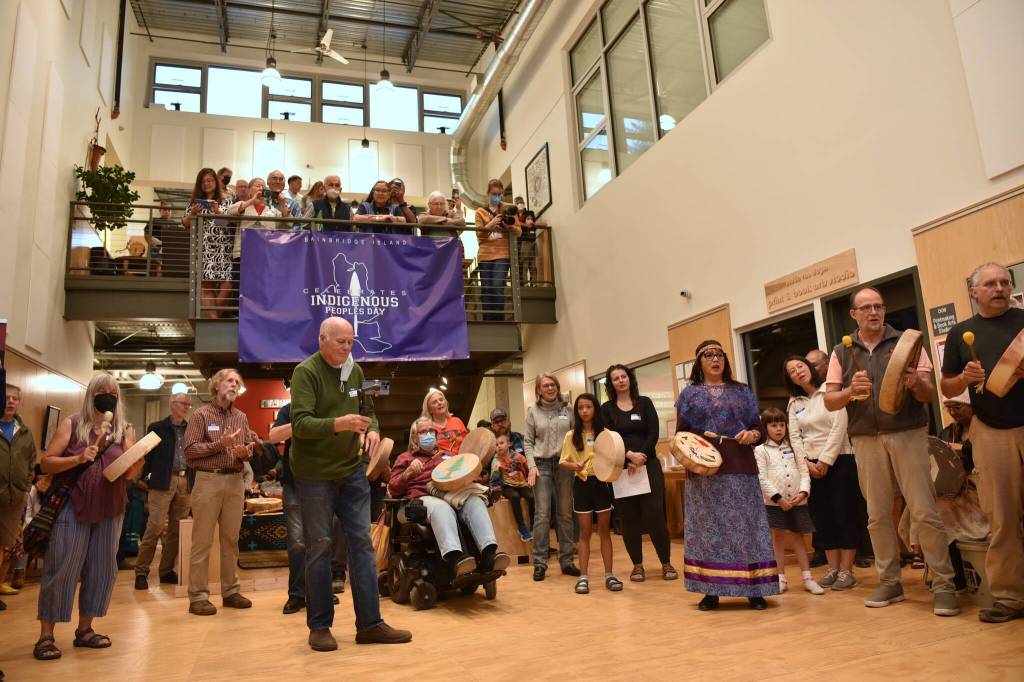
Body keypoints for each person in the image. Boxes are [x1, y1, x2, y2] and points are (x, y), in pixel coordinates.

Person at [825, 286, 959, 616]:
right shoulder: (841, 351)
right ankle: (889, 581)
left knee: (924, 511)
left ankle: (944, 584)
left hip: (908, 433)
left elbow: (928, 394)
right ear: (854, 314)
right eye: (866, 308)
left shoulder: (908, 343)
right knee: (877, 515)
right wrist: (849, 391)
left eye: (879, 306)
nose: (874, 312)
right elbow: (829, 402)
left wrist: (916, 384)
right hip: (865, 439)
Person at [289, 317, 411, 652]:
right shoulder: (305, 372)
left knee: (362, 545)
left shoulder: (354, 372)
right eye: (341, 341)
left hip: (351, 471)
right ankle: (319, 626)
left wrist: (372, 429)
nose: (347, 347)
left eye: (351, 342)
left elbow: (367, 409)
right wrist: (340, 424)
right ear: (322, 339)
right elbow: (300, 424)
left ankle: (370, 624)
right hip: (314, 474)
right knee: (320, 547)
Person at [34, 374, 141, 661]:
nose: (107, 395)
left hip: (111, 508)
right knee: (62, 566)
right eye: (101, 390)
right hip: (74, 505)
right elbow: (47, 462)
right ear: (90, 394)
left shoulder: (124, 430)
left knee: (102, 569)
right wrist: (78, 458)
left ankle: (85, 629)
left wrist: (136, 460)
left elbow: (130, 473)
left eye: (113, 391)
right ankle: (46, 636)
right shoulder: (71, 424)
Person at [940, 262, 1024, 623]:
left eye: (1005, 282)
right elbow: (946, 385)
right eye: (990, 284)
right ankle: (1010, 597)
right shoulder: (961, 333)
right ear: (974, 292)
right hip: (989, 430)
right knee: (1002, 517)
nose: (1000, 288)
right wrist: (964, 378)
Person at [676, 341, 778, 610]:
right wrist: (695, 458)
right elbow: (681, 435)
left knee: (747, 528)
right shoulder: (689, 395)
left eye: (719, 354)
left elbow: (759, 429)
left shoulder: (742, 391)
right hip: (704, 473)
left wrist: (753, 434)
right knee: (708, 533)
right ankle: (711, 592)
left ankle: (755, 589)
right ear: (699, 362)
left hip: (740, 467)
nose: (715, 359)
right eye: (708, 355)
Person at [389, 417, 511, 576]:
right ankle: (456, 559)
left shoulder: (448, 456)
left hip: (452, 493)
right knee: (442, 508)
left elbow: (463, 477)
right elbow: (393, 488)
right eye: (423, 432)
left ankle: (489, 554)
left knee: (475, 501)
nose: (428, 435)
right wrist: (407, 473)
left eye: (431, 431)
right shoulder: (405, 458)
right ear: (414, 437)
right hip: (423, 495)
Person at [785, 355, 860, 590]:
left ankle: (847, 570)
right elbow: (794, 437)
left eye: (800, 366)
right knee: (823, 517)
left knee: (844, 514)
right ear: (790, 379)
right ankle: (832, 568)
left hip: (841, 459)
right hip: (811, 466)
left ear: (809, 367)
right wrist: (806, 463)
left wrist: (826, 460)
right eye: (792, 371)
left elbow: (840, 426)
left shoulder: (830, 390)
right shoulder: (794, 403)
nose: (798, 371)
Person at [183, 368, 254, 616]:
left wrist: (245, 452)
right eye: (229, 381)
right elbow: (190, 451)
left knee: (231, 540)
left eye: (237, 382)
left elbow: (247, 446)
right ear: (216, 385)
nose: (234, 385)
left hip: (235, 481)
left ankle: (231, 591)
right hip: (208, 481)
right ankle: (198, 596)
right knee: (202, 541)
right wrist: (219, 444)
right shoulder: (201, 415)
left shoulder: (241, 417)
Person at [267, 402, 343, 615]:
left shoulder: (327, 404)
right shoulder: (288, 410)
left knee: (321, 541)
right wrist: (303, 424)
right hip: (294, 483)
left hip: (324, 482)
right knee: (298, 543)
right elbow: (273, 436)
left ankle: (321, 593)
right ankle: (297, 594)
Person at [604, 364, 676, 583]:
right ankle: (637, 566)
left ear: (629, 379)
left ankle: (666, 563)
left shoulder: (645, 403)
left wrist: (641, 456)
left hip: (649, 465)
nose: (621, 380)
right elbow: (607, 438)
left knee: (655, 515)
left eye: (623, 376)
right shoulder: (606, 409)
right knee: (629, 518)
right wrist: (628, 456)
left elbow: (653, 432)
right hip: (621, 469)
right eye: (616, 378)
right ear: (611, 384)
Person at [754, 407, 823, 595]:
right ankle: (780, 578)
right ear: (765, 427)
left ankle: (808, 578)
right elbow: (761, 478)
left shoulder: (794, 448)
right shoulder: (760, 450)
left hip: (797, 502)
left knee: (799, 537)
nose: (778, 429)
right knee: (778, 538)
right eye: (773, 425)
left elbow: (804, 472)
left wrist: (803, 493)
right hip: (774, 503)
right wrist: (778, 499)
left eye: (781, 425)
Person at [560, 393, 621, 595]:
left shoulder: (606, 434)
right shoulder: (571, 435)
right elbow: (563, 462)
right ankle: (583, 577)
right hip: (582, 485)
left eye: (588, 407)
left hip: (601, 484)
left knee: (604, 532)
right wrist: (575, 466)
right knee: (584, 533)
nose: (584, 411)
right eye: (580, 408)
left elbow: (615, 458)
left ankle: (609, 575)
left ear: (595, 409)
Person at [134, 392, 193, 590]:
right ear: (172, 404)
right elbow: (147, 456)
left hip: (185, 482)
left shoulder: (191, 429)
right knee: (155, 527)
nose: (186, 407)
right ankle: (141, 571)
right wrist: (146, 479)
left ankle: (166, 570)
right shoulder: (156, 428)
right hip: (161, 482)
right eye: (183, 403)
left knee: (177, 530)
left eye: (188, 404)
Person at [524, 373, 577, 580]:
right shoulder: (533, 411)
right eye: (545, 385)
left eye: (553, 384)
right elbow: (528, 442)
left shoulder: (568, 409)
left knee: (565, 514)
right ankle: (540, 563)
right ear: (539, 390)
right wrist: (531, 466)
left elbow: (576, 437)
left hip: (564, 465)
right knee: (542, 515)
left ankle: (567, 561)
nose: (550, 388)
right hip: (541, 465)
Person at [1, 385, 36, 609]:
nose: (11, 401)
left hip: (15, 498)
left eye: (15, 398)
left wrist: (25, 488)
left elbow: (31, 463)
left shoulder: (25, 432)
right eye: (6, 397)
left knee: (5, 546)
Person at [183, 168, 230, 318]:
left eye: (209, 180)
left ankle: (214, 318)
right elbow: (185, 224)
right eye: (203, 181)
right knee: (207, 285)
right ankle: (214, 320)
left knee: (227, 285)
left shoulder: (226, 201)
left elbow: (228, 225)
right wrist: (193, 213)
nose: (206, 184)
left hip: (222, 249)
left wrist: (217, 211)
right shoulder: (194, 203)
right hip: (203, 248)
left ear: (216, 181)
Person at [474, 179, 521, 321]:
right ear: (488, 193)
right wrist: (491, 224)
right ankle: (489, 322)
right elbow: (479, 234)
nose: (497, 197)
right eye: (494, 194)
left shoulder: (509, 208)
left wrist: (509, 227)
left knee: (497, 285)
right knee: (486, 289)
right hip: (485, 254)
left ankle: (499, 321)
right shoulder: (480, 211)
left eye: (500, 194)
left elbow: (519, 231)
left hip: (503, 253)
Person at [490, 433, 534, 542]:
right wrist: (497, 493)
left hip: (521, 484)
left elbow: (528, 468)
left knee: (531, 497)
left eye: (501, 443)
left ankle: (533, 526)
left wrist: (529, 477)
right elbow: (494, 479)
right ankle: (521, 526)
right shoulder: (496, 461)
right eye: (496, 445)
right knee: (515, 496)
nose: (499, 446)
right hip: (507, 486)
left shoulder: (518, 456)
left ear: (509, 444)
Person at [421, 388, 467, 455]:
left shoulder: (457, 421)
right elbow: (424, 453)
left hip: (463, 458)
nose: (439, 403)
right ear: (430, 410)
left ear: (446, 403)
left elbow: (468, 442)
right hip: (441, 461)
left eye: (441, 400)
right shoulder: (426, 428)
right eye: (434, 402)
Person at [518, 209, 539, 286]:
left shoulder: (533, 227)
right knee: (525, 265)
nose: (530, 220)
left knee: (533, 266)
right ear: (524, 220)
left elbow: (544, 223)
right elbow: (517, 223)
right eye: (528, 219)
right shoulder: (523, 227)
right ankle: (525, 283)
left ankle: (534, 283)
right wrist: (526, 225)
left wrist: (533, 224)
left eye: (531, 219)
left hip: (533, 246)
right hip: (525, 246)